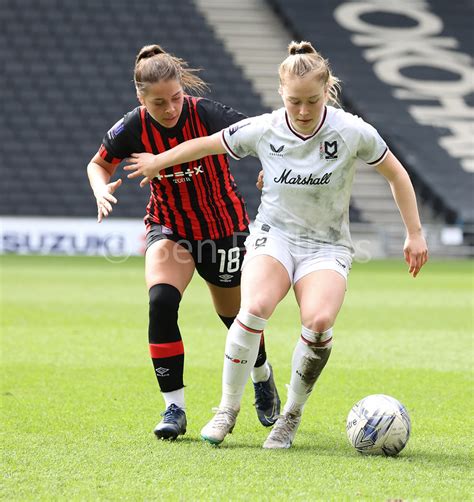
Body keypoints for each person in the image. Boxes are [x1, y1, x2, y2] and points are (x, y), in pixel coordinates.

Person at [124, 41, 429, 449]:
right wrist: (158, 162)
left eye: (312, 102)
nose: (303, 112)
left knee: (319, 325)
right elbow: (205, 144)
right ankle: (226, 410)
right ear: (281, 94)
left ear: (327, 92)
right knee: (252, 310)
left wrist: (415, 233)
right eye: (294, 102)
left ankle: (291, 416)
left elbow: (397, 174)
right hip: (275, 237)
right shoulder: (266, 127)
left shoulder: (351, 130)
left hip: (327, 245)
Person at [87, 44, 281, 441]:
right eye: (159, 102)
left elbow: (262, 135)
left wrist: (268, 165)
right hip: (169, 227)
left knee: (234, 319)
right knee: (160, 303)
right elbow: (98, 162)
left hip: (222, 227)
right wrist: (99, 188)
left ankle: (262, 374)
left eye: (176, 97)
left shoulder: (204, 112)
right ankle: (174, 407)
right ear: (141, 99)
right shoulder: (133, 125)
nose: (171, 108)